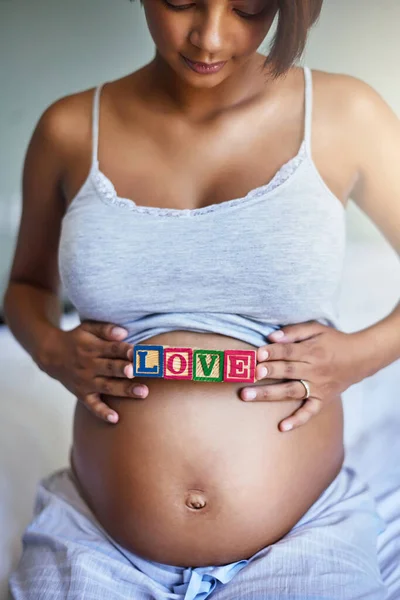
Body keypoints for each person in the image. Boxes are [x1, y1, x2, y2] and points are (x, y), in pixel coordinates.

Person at [5, 0, 400, 598]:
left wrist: (358, 357)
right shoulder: (66, 129)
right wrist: (52, 348)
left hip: (304, 538)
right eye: (180, 1)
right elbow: (27, 290)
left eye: (247, 8)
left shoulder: (347, 114)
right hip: (92, 541)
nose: (210, 38)